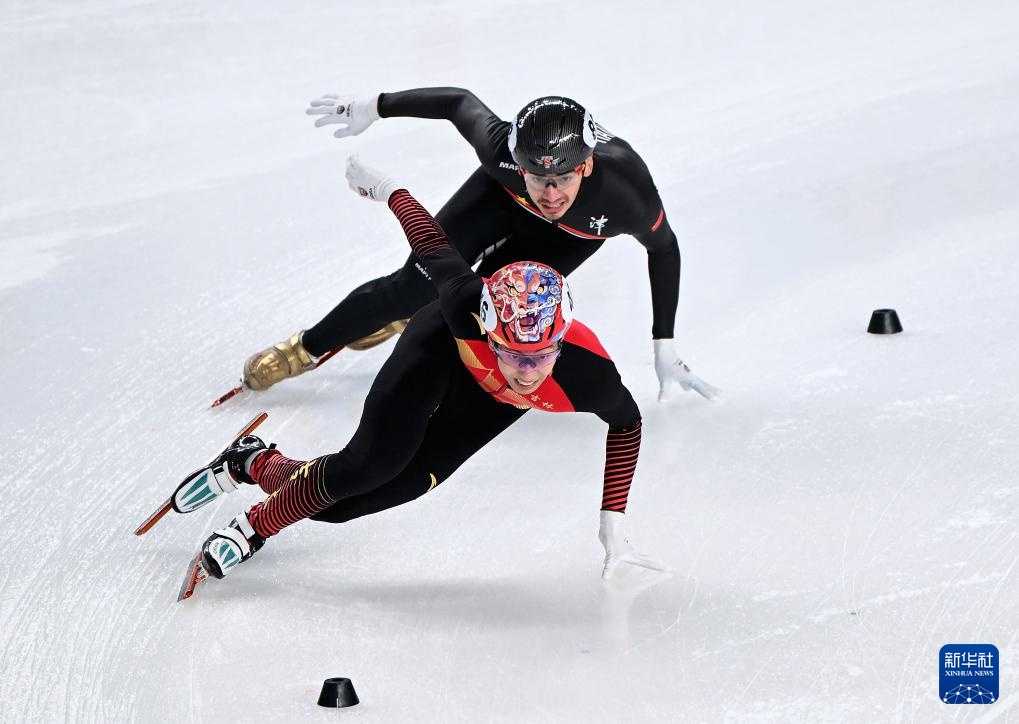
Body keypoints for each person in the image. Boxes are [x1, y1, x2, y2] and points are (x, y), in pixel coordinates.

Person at [183, 157, 667, 587]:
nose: (526, 372)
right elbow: (432, 242)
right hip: (440, 351)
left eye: (539, 357)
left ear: (560, 345)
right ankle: (254, 527)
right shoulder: (464, 302)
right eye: (512, 353)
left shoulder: (588, 375)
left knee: (348, 506)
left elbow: (628, 424)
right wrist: (387, 187)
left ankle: (253, 463)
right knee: (368, 465)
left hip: (487, 403)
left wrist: (612, 522)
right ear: (489, 328)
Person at [242, 88, 719, 402]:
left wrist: (663, 344)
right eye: (538, 177)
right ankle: (303, 348)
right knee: (414, 285)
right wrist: (374, 106)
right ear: (518, 163)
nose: (550, 194)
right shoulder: (501, 153)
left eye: (562, 180)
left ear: (586, 168)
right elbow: (458, 102)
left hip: (572, 237)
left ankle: (411, 319)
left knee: (487, 306)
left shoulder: (627, 195)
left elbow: (664, 249)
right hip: (497, 199)